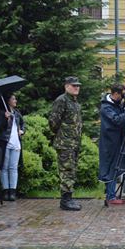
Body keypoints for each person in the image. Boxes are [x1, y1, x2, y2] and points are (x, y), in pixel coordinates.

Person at [98, 83, 125, 207]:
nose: (123, 97)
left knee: (117, 166)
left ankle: (112, 195)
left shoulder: (117, 105)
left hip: (119, 141)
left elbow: (124, 118)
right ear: (115, 94)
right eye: (122, 94)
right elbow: (117, 120)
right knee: (111, 167)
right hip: (109, 143)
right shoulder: (106, 107)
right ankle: (110, 196)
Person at [48, 76, 83, 211]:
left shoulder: (75, 102)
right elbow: (53, 121)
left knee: (71, 171)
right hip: (65, 143)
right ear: (66, 86)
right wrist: (63, 135)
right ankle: (65, 200)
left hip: (74, 143)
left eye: (78, 85)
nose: (76, 88)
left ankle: (69, 197)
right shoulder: (61, 100)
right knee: (66, 171)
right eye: (74, 85)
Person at [0, 93, 25, 202]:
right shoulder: (1, 113)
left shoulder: (17, 113)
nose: (15, 100)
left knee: (13, 168)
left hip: (16, 143)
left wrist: (22, 131)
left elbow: (23, 124)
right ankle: (5, 191)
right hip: (4, 142)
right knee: (4, 167)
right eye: (13, 99)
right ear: (8, 101)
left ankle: (12, 192)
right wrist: (5, 119)